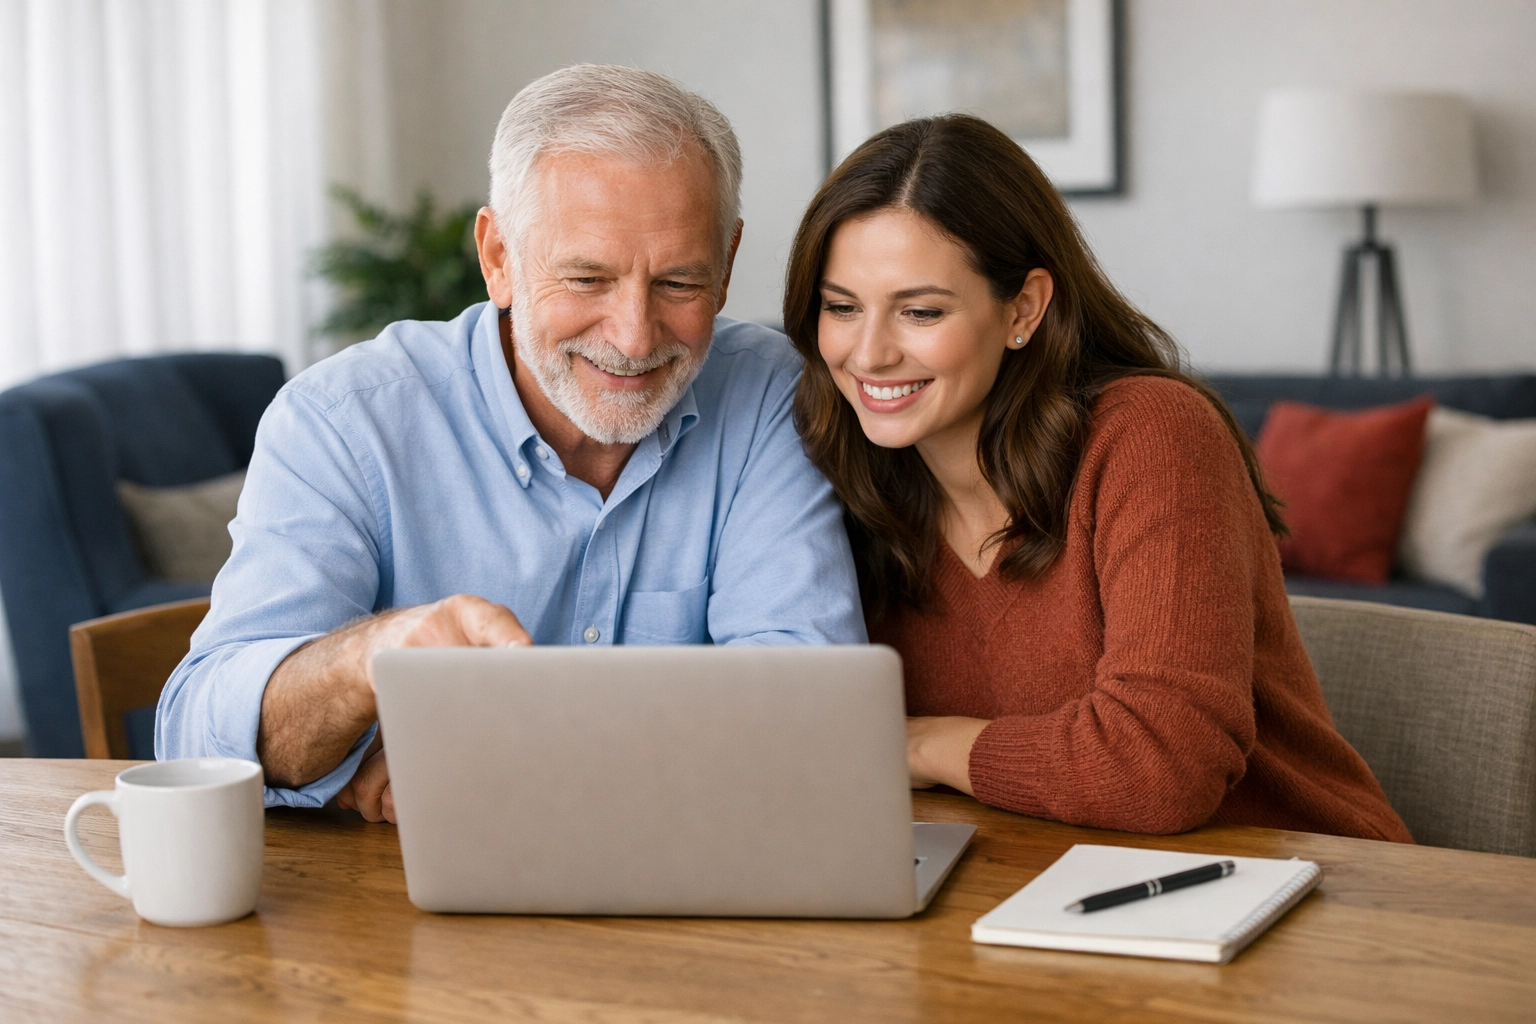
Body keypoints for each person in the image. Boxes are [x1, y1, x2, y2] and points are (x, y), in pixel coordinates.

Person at [157, 65, 865, 822]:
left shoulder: (768, 396)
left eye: (679, 284)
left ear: (726, 266)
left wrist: (495, 755)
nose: (633, 335)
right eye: (588, 280)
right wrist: (369, 660)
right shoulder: (342, 422)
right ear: (498, 258)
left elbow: (808, 710)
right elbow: (200, 741)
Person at [782, 114, 1411, 841]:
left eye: (920, 311)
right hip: (1030, 885)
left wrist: (917, 743)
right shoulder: (838, 467)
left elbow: (1160, 768)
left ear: (1023, 308)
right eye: (841, 307)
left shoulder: (1152, 436)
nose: (869, 353)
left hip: (1299, 880)